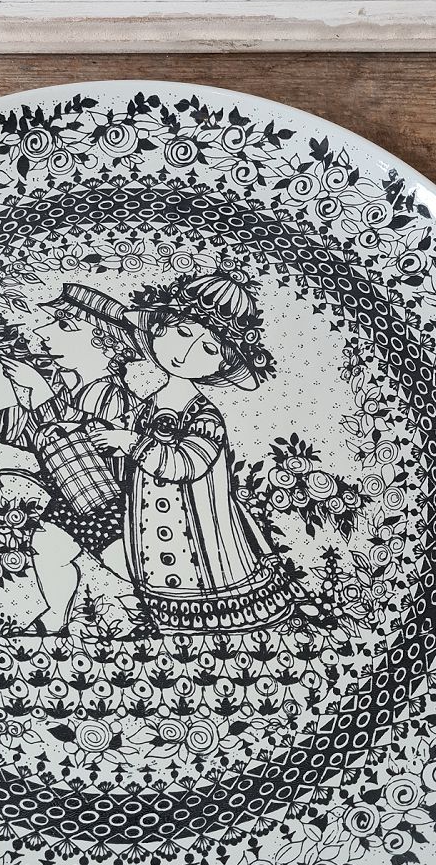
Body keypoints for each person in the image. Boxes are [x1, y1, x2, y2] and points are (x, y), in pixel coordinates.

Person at [90, 270, 303, 634]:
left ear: (222, 365)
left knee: (201, 591)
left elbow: (188, 464)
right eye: (183, 332)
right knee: (160, 585)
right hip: (149, 525)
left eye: (208, 349)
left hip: (197, 528)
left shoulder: (205, 416)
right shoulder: (148, 405)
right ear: (159, 330)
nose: (185, 352)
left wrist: (130, 443)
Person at [0, 283, 138, 634]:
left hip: (109, 501)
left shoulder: (111, 395)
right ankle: (56, 615)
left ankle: (157, 610)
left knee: (126, 564)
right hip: (71, 496)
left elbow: (78, 440)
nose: (44, 332)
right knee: (48, 548)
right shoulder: (69, 390)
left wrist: (41, 391)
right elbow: (17, 431)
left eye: (63, 325)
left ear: (106, 344)